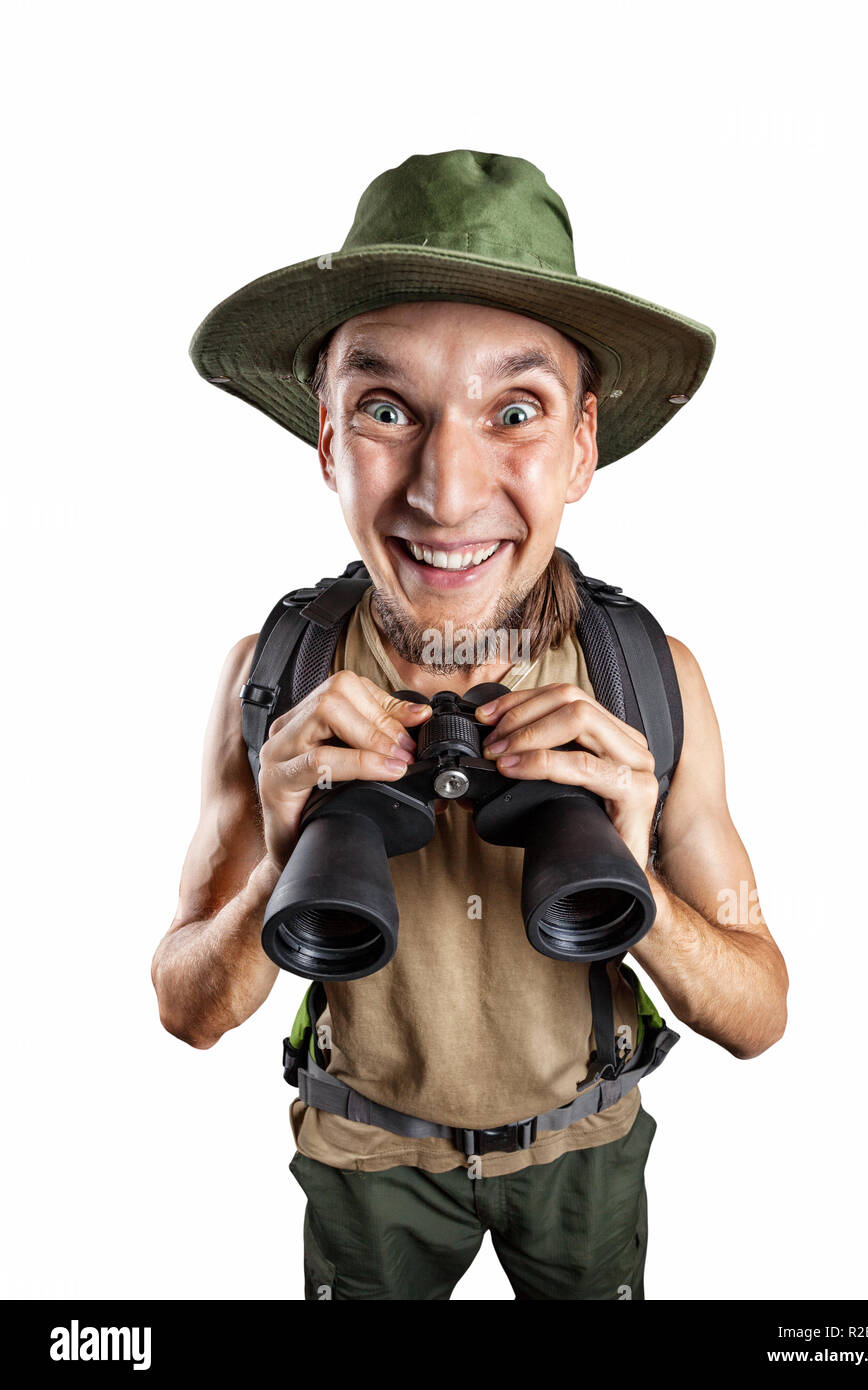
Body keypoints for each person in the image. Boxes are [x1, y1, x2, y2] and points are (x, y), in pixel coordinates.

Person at [152, 150, 789, 1301]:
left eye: (515, 410)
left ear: (583, 443)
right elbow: (184, 1005)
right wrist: (281, 865)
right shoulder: (272, 677)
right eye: (387, 407)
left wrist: (631, 868)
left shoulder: (648, 677)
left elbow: (759, 1010)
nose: (446, 493)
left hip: (582, 1148)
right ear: (330, 442)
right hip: (365, 1156)